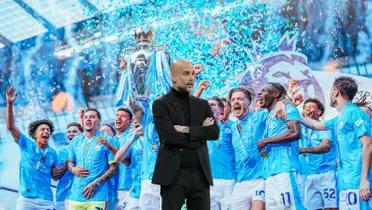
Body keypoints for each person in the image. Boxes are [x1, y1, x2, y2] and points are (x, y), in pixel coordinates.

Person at [151, 59, 219, 210]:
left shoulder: (202, 104)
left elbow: (214, 133)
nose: (191, 78)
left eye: (193, 74)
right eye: (186, 74)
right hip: (173, 175)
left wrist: (186, 129)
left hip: (201, 174)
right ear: (173, 76)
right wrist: (200, 133)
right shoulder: (160, 104)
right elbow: (169, 137)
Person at [302, 76, 371, 210]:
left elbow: (368, 145)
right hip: (344, 183)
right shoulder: (339, 118)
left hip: (357, 182)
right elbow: (315, 124)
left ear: (335, 92)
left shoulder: (355, 113)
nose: (330, 95)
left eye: (330, 92)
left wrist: (364, 180)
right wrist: (291, 109)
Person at [5, 87, 61, 210]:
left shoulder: (53, 153)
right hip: (26, 200)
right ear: (35, 134)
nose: (46, 131)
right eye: (42, 129)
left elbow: (55, 176)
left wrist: (58, 171)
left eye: (48, 130)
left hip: (47, 200)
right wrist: (9, 104)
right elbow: (10, 127)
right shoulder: (26, 144)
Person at [257, 83, 305, 210]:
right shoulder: (269, 116)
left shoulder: (287, 107)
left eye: (264, 90)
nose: (259, 94)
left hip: (286, 170)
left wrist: (267, 141)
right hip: (270, 174)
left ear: (275, 94)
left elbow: (295, 132)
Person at [67, 108, 118, 210]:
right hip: (76, 196)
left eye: (92, 117)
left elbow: (114, 168)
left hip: (97, 196)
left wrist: (96, 183)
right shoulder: (76, 140)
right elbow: (70, 162)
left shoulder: (107, 140)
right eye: (86, 117)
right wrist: (73, 169)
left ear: (98, 121)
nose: (88, 119)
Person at [228, 87, 266, 210]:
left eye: (240, 99)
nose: (236, 102)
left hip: (260, 178)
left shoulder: (259, 117)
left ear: (249, 102)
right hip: (241, 181)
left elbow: (279, 112)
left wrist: (291, 96)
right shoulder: (232, 128)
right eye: (233, 100)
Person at [298, 98, 338, 210]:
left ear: (319, 112)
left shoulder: (325, 127)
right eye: (305, 108)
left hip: (326, 175)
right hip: (308, 175)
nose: (307, 110)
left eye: (311, 107)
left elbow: (325, 147)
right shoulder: (299, 129)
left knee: (331, 208)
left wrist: (303, 150)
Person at [206, 96, 236, 210]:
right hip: (209, 183)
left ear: (221, 110)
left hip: (230, 180)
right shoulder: (200, 130)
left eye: (213, 105)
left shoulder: (233, 127)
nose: (209, 107)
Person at [55, 122, 83, 210]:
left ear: (81, 134)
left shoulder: (87, 151)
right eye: (69, 132)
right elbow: (56, 176)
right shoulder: (62, 152)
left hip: (82, 198)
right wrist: (69, 159)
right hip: (64, 198)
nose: (71, 134)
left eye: (74, 131)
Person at [114, 107, 134, 210]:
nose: (119, 118)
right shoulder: (113, 139)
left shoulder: (132, 136)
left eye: (123, 116)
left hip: (128, 185)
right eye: (117, 115)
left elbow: (127, 161)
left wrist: (109, 147)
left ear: (130, 121)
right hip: (114, 188)